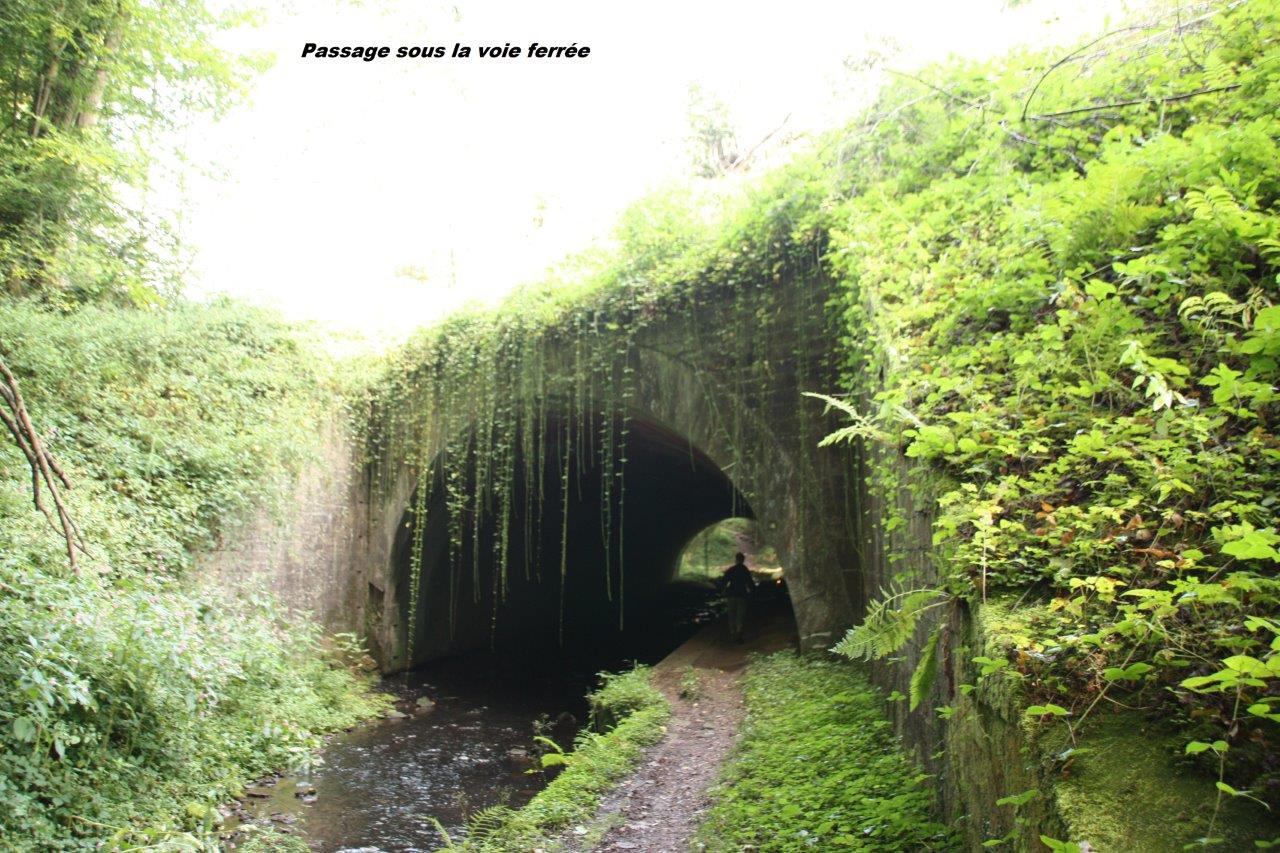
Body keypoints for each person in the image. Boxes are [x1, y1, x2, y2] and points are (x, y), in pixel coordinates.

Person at [721, 552, 755, 643]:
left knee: (731, 615)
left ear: (736, 559)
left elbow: (724, 581)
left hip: (731, 595)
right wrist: (753, 592)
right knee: (740, 616)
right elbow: (750, 583)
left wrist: (723, 590)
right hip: (742, 595)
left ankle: (733, 633)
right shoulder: (745, 570)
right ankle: (739, 634)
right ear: (743, 560)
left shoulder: (731, 570)